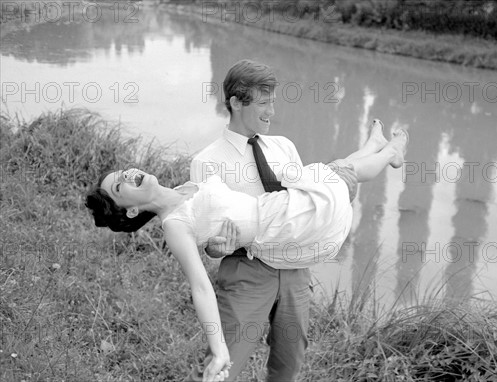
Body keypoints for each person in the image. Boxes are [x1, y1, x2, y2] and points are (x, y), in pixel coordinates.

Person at [84, 122, 407, 381]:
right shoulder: (173, 224)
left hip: (275, 210)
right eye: (119, 186)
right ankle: (388, 152)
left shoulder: (184, 187)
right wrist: (218, 347)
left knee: (337, 174)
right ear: (129, 211)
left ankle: (375, 148)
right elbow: (200, 287)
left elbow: (218, 222)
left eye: (122, 172)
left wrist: (216, 244)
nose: (127, 175)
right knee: (339, 178)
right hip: (278, 225)